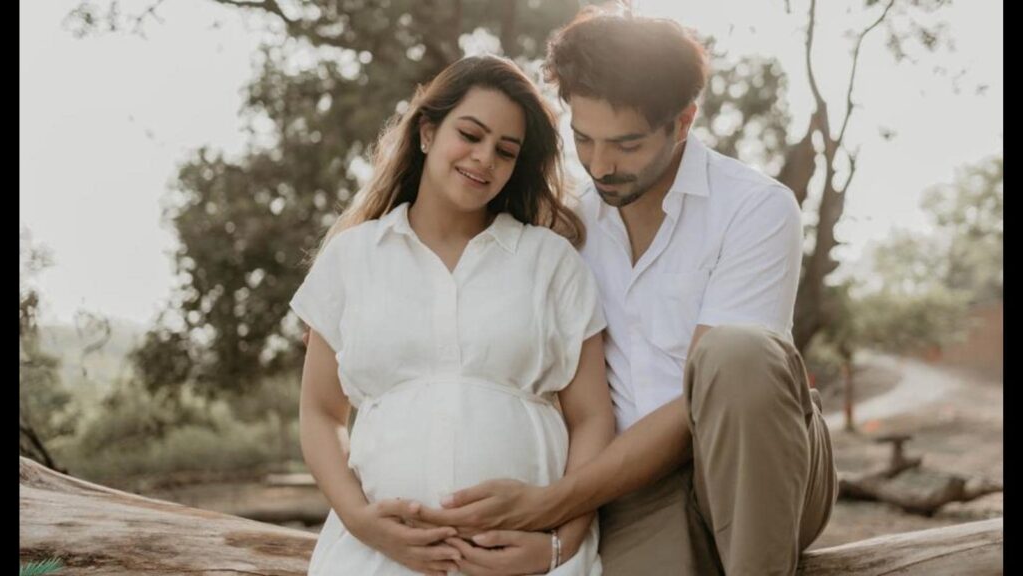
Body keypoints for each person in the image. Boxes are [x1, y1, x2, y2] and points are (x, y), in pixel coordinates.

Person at [416, 7, 839, 575]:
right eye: (584, 139)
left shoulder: (755, 206)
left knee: (736, 352)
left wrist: (551, 501)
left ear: (684, 121)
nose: (601, 164)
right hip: (632, 489)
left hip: (757, 463)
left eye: (628, 144)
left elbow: (701, 405)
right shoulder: (562, 224)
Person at [290, 54, 616, 576]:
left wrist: (560, 543)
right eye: (471, 134)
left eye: (505, 151)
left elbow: (592, 418)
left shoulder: (551, 262)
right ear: (426, 132)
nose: (484, 158)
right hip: (377, 560)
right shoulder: (352, 259)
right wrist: (359, 519)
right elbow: (321, 413)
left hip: (528, 562)